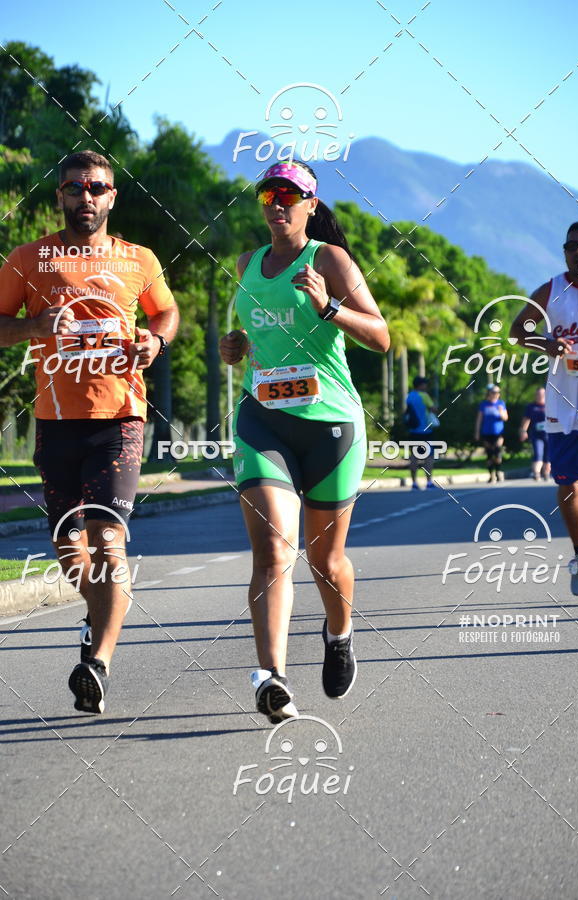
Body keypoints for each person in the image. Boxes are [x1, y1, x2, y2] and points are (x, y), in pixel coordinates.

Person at [0, 149, 179, 712]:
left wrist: (157, 340)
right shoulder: (29, 259)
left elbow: (165, 313)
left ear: (112, 197)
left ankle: (97, 661)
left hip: (120, 419)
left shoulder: (139, 259)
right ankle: (97, 615)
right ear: (60, 195)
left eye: (97, 188)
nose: (86, 198)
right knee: (70, 551)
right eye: (75, 188)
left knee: (107, 539)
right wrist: (32, 324)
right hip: (56, 424)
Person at [219, 160, 389, 723]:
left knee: (326, 561)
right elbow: (263, 327)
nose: (277, 202)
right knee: (273, 550)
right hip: (262, 418)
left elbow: (381, 336)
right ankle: (272, 678)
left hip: (330, 427)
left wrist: (330, 307)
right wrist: (240, 343)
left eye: (290, 194)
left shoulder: (330, 260)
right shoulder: (247, 264)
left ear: (311, 205)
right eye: (270, 192)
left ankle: (338, 635)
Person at [510, 221, 578, 595]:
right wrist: (545, 345)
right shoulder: (551, 291)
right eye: (570, 246)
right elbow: (518, 333)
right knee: (569, 488)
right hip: (563, 407)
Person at [404, 375, 439, 490]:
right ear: (421, 385)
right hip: (426, 431)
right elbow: (433, 409)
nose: (426, 386)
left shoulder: (409, 396)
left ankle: (414, 482)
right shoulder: (424, 396)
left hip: (413, 431)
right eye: (425, 384)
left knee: (414, 456)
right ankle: (429, 482)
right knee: (428, 456)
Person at [474, 384, 508, 482]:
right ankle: (491, 475)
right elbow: (479, 419)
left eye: (497, 392)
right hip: (486, 433)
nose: (495, 394)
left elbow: (505, 418)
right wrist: (477, 432)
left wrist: (501, 412)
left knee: (497, 453)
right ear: (489, 393)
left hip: (498, 433)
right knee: (489, 454)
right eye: (493, 392)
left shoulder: (501, 404)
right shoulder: (484, 404)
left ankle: (498, 472)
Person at [519, 386, 550, 480]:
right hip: (536, 435)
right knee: (538, 453)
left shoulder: (550, 405)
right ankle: (536, 473)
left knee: (548, 456)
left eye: (542, 394)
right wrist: (523, 431)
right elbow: (526, 419)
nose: (540, 396)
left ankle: (546, 473)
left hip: (549, 435)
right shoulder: (531, 407)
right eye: (538, 394)